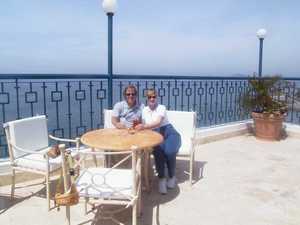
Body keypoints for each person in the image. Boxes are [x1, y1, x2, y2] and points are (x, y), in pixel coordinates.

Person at [135, 89, 181, 194]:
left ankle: (172, 176)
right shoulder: (144, 110)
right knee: (159, 152)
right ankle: (162, 178)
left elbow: (158, 122)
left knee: (169, 152)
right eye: (150, 97)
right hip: (154, 135)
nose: (152, 99)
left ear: (157, 97)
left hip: (169, 132)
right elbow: (140, 123)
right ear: (146, 98)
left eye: (154, 96)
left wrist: (143, 126)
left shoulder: (161, 108)